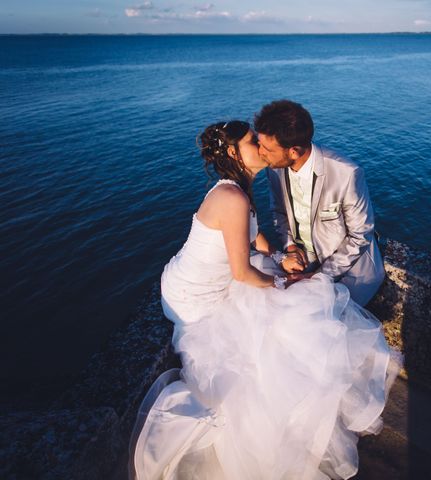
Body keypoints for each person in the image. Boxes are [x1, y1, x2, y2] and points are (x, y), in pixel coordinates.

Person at [130, 120, 401, 479]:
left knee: (292, 310)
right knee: (282, 320)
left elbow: (252, 236)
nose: (261, 144)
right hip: (193, 298)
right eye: (251, 141)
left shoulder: (240, 189)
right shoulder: (230, 197)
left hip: (218, 281)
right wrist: (279, 285)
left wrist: (279, 257)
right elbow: (242, 273)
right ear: (232, 152)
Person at [256, 100, 385, 306]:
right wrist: (289, 246)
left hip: (349, 275)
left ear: (294, 151)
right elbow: (279, 212)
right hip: (302, 265)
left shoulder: (347, 173)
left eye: (267, 148)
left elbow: (360, 235)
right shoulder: (274, 169)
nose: (260, 152)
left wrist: (318, 277)